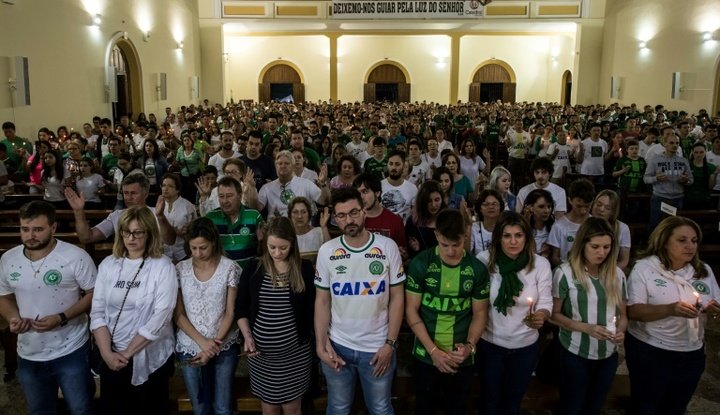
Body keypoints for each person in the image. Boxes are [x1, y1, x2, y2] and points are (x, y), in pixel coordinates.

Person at [0, 201, 97, 414]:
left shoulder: (75, 256)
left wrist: (62, 316)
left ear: (53, 228)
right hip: (28, 351)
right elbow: (4, 296)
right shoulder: (8, 259)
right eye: (25, 229)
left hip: (71, 348)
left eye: (38, 229)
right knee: (39, 410)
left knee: (81, 408)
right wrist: (13, 318)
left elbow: (94, 293)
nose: (30, 235)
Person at [314, 188, 405, 414]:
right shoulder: (327, 251)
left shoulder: (387, 247)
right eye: (342, 215)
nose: (349, 220)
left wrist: (390, 344)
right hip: (337, 346)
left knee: (381, 408)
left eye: (354, 212)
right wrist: (321, 343)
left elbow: (398, 298)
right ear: (335, 218)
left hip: (377, 349)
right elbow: (322, 301)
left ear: (364, 211)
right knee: (337, 407)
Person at [625, 216, 720, 415]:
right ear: (665, 241)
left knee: (675, 407)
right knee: (645, 406)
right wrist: (671, 309)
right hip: (651, 350)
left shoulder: (704, 271)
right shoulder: (644, 268)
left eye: (694, 241)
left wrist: (714, 310)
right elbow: (634, 311)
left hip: (691, 351)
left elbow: (715, 303)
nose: (690, 246)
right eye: (682, 240)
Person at [90, 206, 177, 414]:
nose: (131, 238)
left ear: (149, 233)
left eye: (138, 232)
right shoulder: (108, 265)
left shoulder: (162, 266)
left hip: (148, 355)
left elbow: (162, 315)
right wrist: (107, 353)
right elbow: (97, 312)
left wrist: (127, 353)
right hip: (111, 354)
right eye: (126, 232)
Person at [405, 208, 490, 415]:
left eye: (457, 244)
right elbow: (411, 311)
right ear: (436, 235)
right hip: (426, 355)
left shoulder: (477, 269)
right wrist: (433, 352)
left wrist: (469, 347)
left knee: (457, 408)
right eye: (444, 244)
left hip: (461, 357)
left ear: (465, 236)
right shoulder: (421, 264)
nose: (451, 251)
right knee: (424, 408)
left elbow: (480, 313)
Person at [236, 217, 316, 415]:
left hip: (295, 355)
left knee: (292, 408)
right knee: (269, 408)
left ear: (292, 244)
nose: (277, 253)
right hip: (261, 356)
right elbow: (241, 308)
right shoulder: (253, 268)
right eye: (272, 247)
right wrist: (247, 336)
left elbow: (313, 309)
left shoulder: (304, 269)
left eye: (283, 248)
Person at [476, 211, 552, 415]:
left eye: (518, 235)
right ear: (498, 237)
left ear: (526, 237)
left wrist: (541, 315)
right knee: (488, 400)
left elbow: (545, 300)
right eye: (507, 235)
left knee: (512, 402)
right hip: (490, 344)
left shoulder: (540, 264)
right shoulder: (484, 260)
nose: (513, 241)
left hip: (525, 347)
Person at [551, 217, 627, 415]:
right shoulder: (565, 273)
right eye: (595, 246)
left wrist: (620, 331)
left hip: (608, 354)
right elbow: (554, 315)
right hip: (575, 352)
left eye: (606, 247)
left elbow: (623, 315)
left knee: (595, 405)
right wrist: (586, 328)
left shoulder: (617, 274)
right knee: (572, 405)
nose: (602, 252)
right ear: (582, 244)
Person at [174, 218, 241, 415]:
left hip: (222, 342)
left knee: (222, 406)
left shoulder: (229, 268)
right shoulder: (181, 269)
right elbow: (178, 314)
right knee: (199, 407)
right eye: (193, 248)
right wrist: (202, 342)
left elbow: (231, 312)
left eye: (202, 247)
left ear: (213, 242)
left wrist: (213, 345)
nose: (197, 253)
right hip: (190, 345)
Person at [65, 173, 176, 246]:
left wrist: (160, 217)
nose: (128, 197)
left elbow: (170, 241)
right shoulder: (116, 216)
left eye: (133, 193)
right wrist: (78, 211)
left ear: (146, 194)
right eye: (125, 193)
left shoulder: (157, 213)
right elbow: (87, 238)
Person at [205, 176, 263, 267]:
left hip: (249, 273)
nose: (225, 201)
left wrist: (262, 241)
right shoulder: (210, 218)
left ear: (240, 196)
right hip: (222, 275)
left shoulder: (254, 216)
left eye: (229, 196)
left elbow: (263, 251)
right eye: (221, 196)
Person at [644, 127, 692, 229]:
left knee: (674, 228)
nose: (674, 145)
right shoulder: (655, 159)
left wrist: (685, 180)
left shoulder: (683, 161)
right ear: (665, 144)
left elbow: (691, 180)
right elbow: (646, 178)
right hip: (660, 198)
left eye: (677, 143)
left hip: (677, 199)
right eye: (671, 143)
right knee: (656, 227)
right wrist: (656, 178)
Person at [257, 150, 330, 217]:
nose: (283, 166)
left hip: (301, 228)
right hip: (276, 229)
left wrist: (323, 184)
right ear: (276, 166)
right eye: (280, 163)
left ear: (292, 166)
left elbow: (324, 201)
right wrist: (251, 190)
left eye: (287, 163)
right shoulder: (267, 187)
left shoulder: (306, 184)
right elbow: (257, 207)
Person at [353, 173, 407, 254]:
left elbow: (403, 251)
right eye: (358, 193)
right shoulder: (353, 220)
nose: (361, 197)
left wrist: (403, 254)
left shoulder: (395, 221)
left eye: (365, 191)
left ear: (377, 193)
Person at [547, 178, 595, 268]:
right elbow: (555, 257)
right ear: (570, 200)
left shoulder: (595, 224)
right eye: (579, 206)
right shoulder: (559, 226)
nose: (583, 211)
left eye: (587, 206)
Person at [590, 190, 631, 270]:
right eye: (598, 204)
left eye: (607, 208)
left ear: (613, 211)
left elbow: (624, 261)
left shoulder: (622, 228)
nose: (601, 209)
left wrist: (610, 273)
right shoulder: (584, 224)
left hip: (610, 271)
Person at [160, 173, 197, 262]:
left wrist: (187, 231)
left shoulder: (188, 206)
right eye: (164, 185)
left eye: (170, 186)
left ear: (177, 190)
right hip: (163, 254)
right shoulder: (159, 205)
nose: (166, 189)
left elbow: (195, 229)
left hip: (183, 253)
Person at [405, 180, 446, 258]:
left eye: (437, 200)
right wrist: (414, 249)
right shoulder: (412, 222)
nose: (434, 205)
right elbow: (408, 254)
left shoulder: (449, 220)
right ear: (422, 201)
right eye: (429, 201)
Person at [381, 150, 419, 222]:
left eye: (397, 164)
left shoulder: (412, 188)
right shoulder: (379, 186)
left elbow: (415, 214)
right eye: (391, 164)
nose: (393, 167)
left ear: (403, 166)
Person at [522, 188, 555, 259]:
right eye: (541, 207)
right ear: (530, 207)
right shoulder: (520, 226)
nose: (546, 211)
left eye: (549, 206)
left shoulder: (554, 226)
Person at [471, 189, 505, 256]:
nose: (490, 207)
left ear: (500, 206)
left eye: (494, 204)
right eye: (486, 204)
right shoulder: (473, 228)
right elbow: (466, 253)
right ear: (480, 208)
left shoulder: (506, 227)